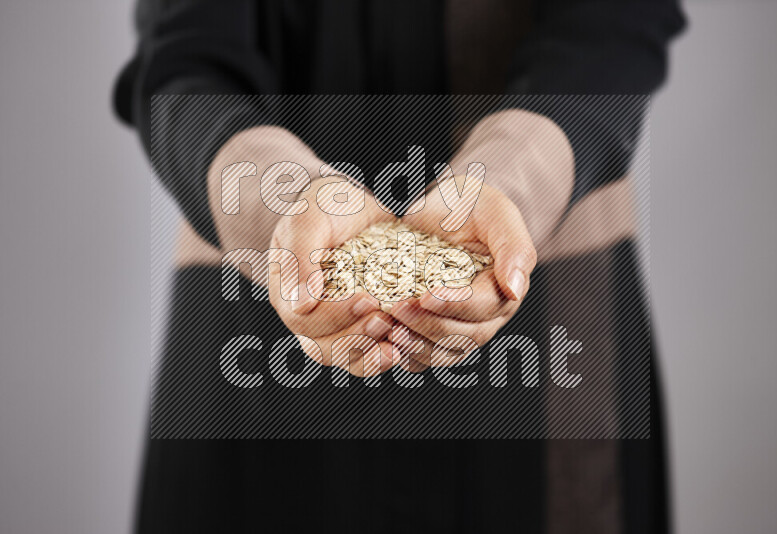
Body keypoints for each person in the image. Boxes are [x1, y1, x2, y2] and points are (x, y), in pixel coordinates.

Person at [115, 0, 685, 532]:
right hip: (263, 286)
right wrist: (280, 194)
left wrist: (515, 172)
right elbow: (182, 59)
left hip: (550, 297)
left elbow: (619, 21)